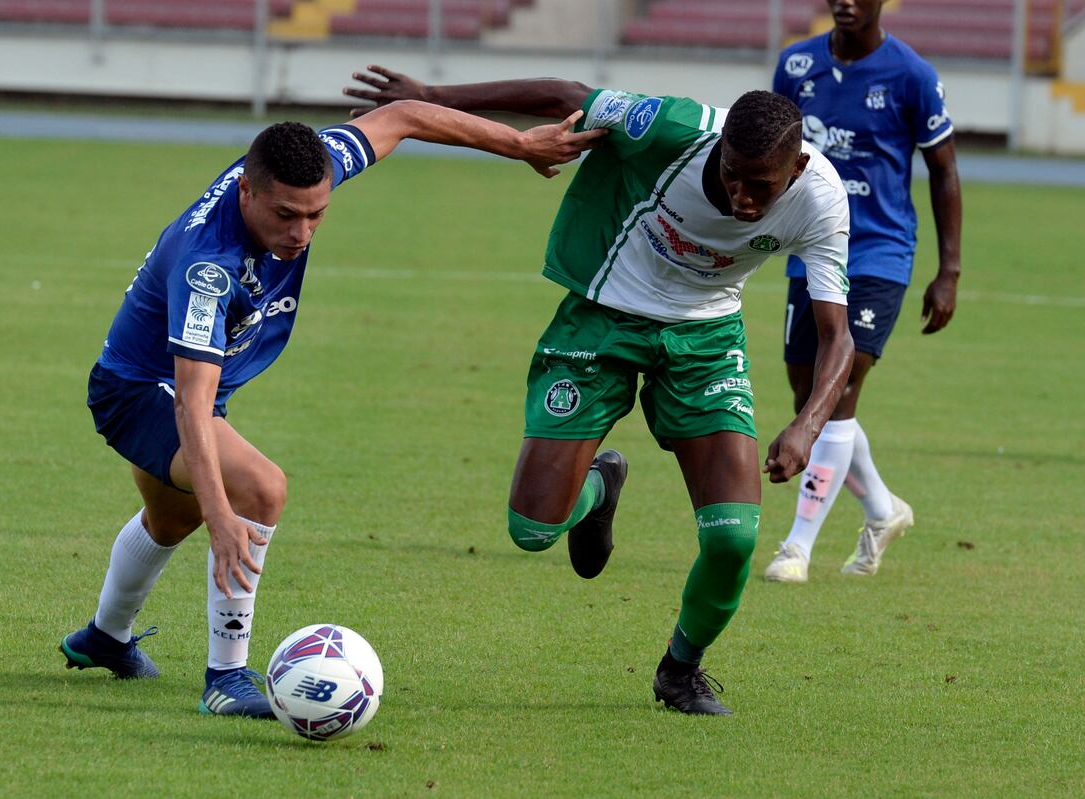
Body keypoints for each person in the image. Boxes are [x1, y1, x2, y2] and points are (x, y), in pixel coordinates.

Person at [59, 100, 605, 719]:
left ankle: (105, 638)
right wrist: (222, 514)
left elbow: (401, 118)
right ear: (247, 191)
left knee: (169, 518)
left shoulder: (304, 164)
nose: (301, 233)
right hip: (143, 391)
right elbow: (191, 400)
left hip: (196, 385)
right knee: (259, 491)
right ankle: (225, 677)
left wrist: (520, 145)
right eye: (286, 215)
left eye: (316, 214)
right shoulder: (207, 267)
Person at [344, 69, 854, 715]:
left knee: (733, 538)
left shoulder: (823, 198)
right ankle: (596, 493)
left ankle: (680, 670)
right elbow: (565, 95)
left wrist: (807, 424)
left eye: (762, 187)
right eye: (732, 175)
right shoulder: (672, 127)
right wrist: (437, 98)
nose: (743, 198)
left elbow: (836, 336)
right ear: (721, 145)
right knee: (531, 530)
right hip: (603, 313)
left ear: (798, 165)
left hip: (704, 337)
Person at [764, 0, 962, 583]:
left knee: (840, 385)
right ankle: (882, 510)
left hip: (880, 251)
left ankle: (796, 548)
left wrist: (948, 270)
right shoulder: (795, 66)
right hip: (814, 247)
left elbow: (944, 169)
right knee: (810, 399)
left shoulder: (913, 76)